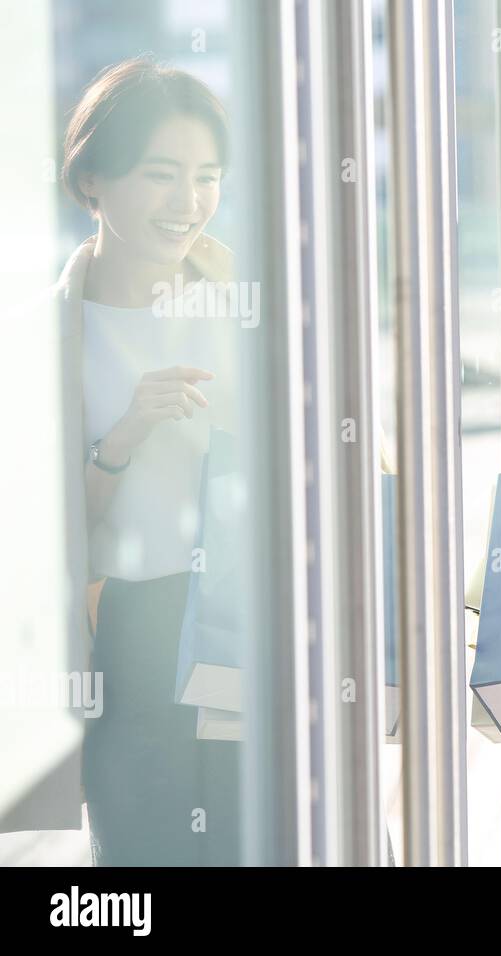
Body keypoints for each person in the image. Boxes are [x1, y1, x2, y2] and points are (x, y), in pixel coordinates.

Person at [57, 56, 242, 865]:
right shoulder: (39, 334)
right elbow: (42, 543)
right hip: (129, 638)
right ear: (93, 179)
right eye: (162, 174)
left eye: (206, 176)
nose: (189, 202)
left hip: (251, 618)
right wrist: (121, 439)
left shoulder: (249, 302)